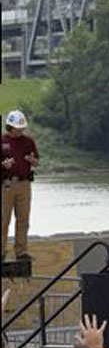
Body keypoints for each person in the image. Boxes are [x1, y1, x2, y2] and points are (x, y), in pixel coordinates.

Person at [1, 110, 39, 262]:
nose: (21, 131)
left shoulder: (28, 141)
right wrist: (3, 165)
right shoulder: (2, 141)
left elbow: (36, 161)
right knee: (3, 220)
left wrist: (32, 160)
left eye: (22, 128)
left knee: (23, 219)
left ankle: (21, 252)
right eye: (18, 128)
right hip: (6, 185)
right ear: (10, 127)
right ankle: (1, 252)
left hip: (24, 183)